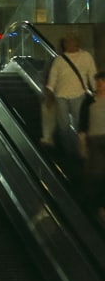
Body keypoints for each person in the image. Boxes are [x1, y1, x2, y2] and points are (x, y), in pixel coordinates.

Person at [45, 34, 96, 165]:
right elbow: (53, 78)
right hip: (60, 95)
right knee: (63, 125)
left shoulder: (86, 56)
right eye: (65, 43)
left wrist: (96, 91)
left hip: (79, 94)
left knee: (80, 124)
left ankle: (81, 150)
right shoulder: (59, 60)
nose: (67, 45)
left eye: (69, 42)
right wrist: (50, 92)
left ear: (77, 43)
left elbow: (92, 74)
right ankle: (69, 150)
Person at [82, 71, 105, 222]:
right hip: (94, 139)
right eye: (97, 82)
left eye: (102, 81)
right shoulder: (89, 101)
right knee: (97, 174)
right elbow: (82, 124)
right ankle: (97, 206)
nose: (99, 85)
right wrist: (82, 145)